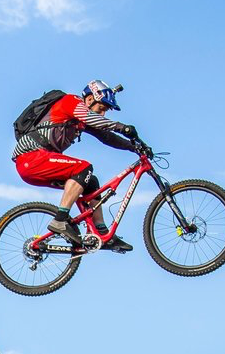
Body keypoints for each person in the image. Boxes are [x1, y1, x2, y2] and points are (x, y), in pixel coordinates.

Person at [12, 80, 144, 251]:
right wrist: (121, 127)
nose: (102, 114)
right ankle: (60, 219)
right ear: (89, 99)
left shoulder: (80, 120)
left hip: (40, 161)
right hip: (31, 158)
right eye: (101, 109)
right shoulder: (71, 101)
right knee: (83, 168)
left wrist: (135, 147)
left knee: (91, 181)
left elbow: (106, 137)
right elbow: (93, 119)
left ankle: (99, 231)